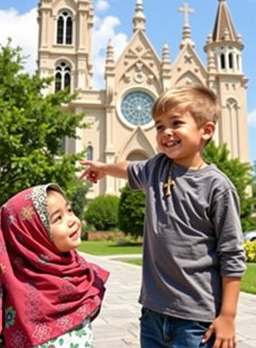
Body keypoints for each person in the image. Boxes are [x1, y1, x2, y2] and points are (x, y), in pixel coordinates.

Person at [80, 84, 246, 348]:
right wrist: (104, 168)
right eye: (158, 126)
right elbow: (129, 167)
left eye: (176, 123)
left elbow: (232, 255)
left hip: (195, 320)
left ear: (206, 130)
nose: (165, 132)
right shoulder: (157, 168)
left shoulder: (217, 187)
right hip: (153, 312)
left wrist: (228, 315)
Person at [0, 183, 109, 348]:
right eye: (58, 218)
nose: (71, 220)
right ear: (32, 236)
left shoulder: (80, 272)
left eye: (69, 210)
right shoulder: (15, 291)